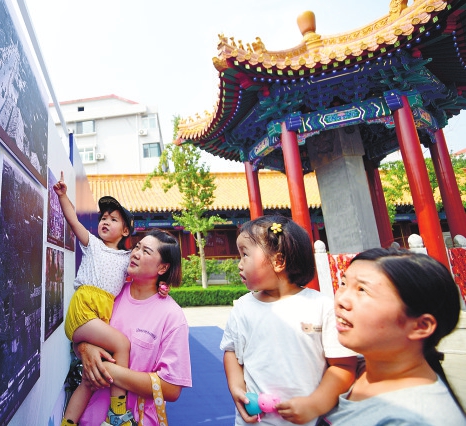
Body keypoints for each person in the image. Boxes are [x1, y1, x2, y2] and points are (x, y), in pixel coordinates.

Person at [220, 215, 357, 425]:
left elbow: (343, 366)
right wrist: (237, 389)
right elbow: (232, 353)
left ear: (279, 261)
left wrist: (315, 404)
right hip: (255, 421)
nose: (239, 264)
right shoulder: (243, 308)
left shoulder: (322, 306)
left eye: (245, 255)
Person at [318, 248, 466, 425]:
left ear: (421, 326)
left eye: (362, 290)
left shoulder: (412, 419)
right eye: (343, 283)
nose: (341, 300)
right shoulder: (355, 370)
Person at [75, 229, 192, 426]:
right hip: (90, 417)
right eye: (136, 246)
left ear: (162, 268)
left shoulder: (172, 316)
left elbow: (171, 389)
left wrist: (109, 370)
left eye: (146, 251)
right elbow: (79, 335)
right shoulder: (110, 294)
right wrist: (86, 350)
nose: (135, 253)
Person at [53, 171, 136, 426]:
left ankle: (68, 422)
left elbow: (148, 271)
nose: (105, 221)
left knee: (88, 381)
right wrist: (63, 196)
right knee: (122, 344)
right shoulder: (94, 245)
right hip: (84, 309)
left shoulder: (128, 257)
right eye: (103, 218)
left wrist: (163, 285)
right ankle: (118, 413)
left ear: (125, 230)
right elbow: (74, 221)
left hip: (101, 316)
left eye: (113, 219)